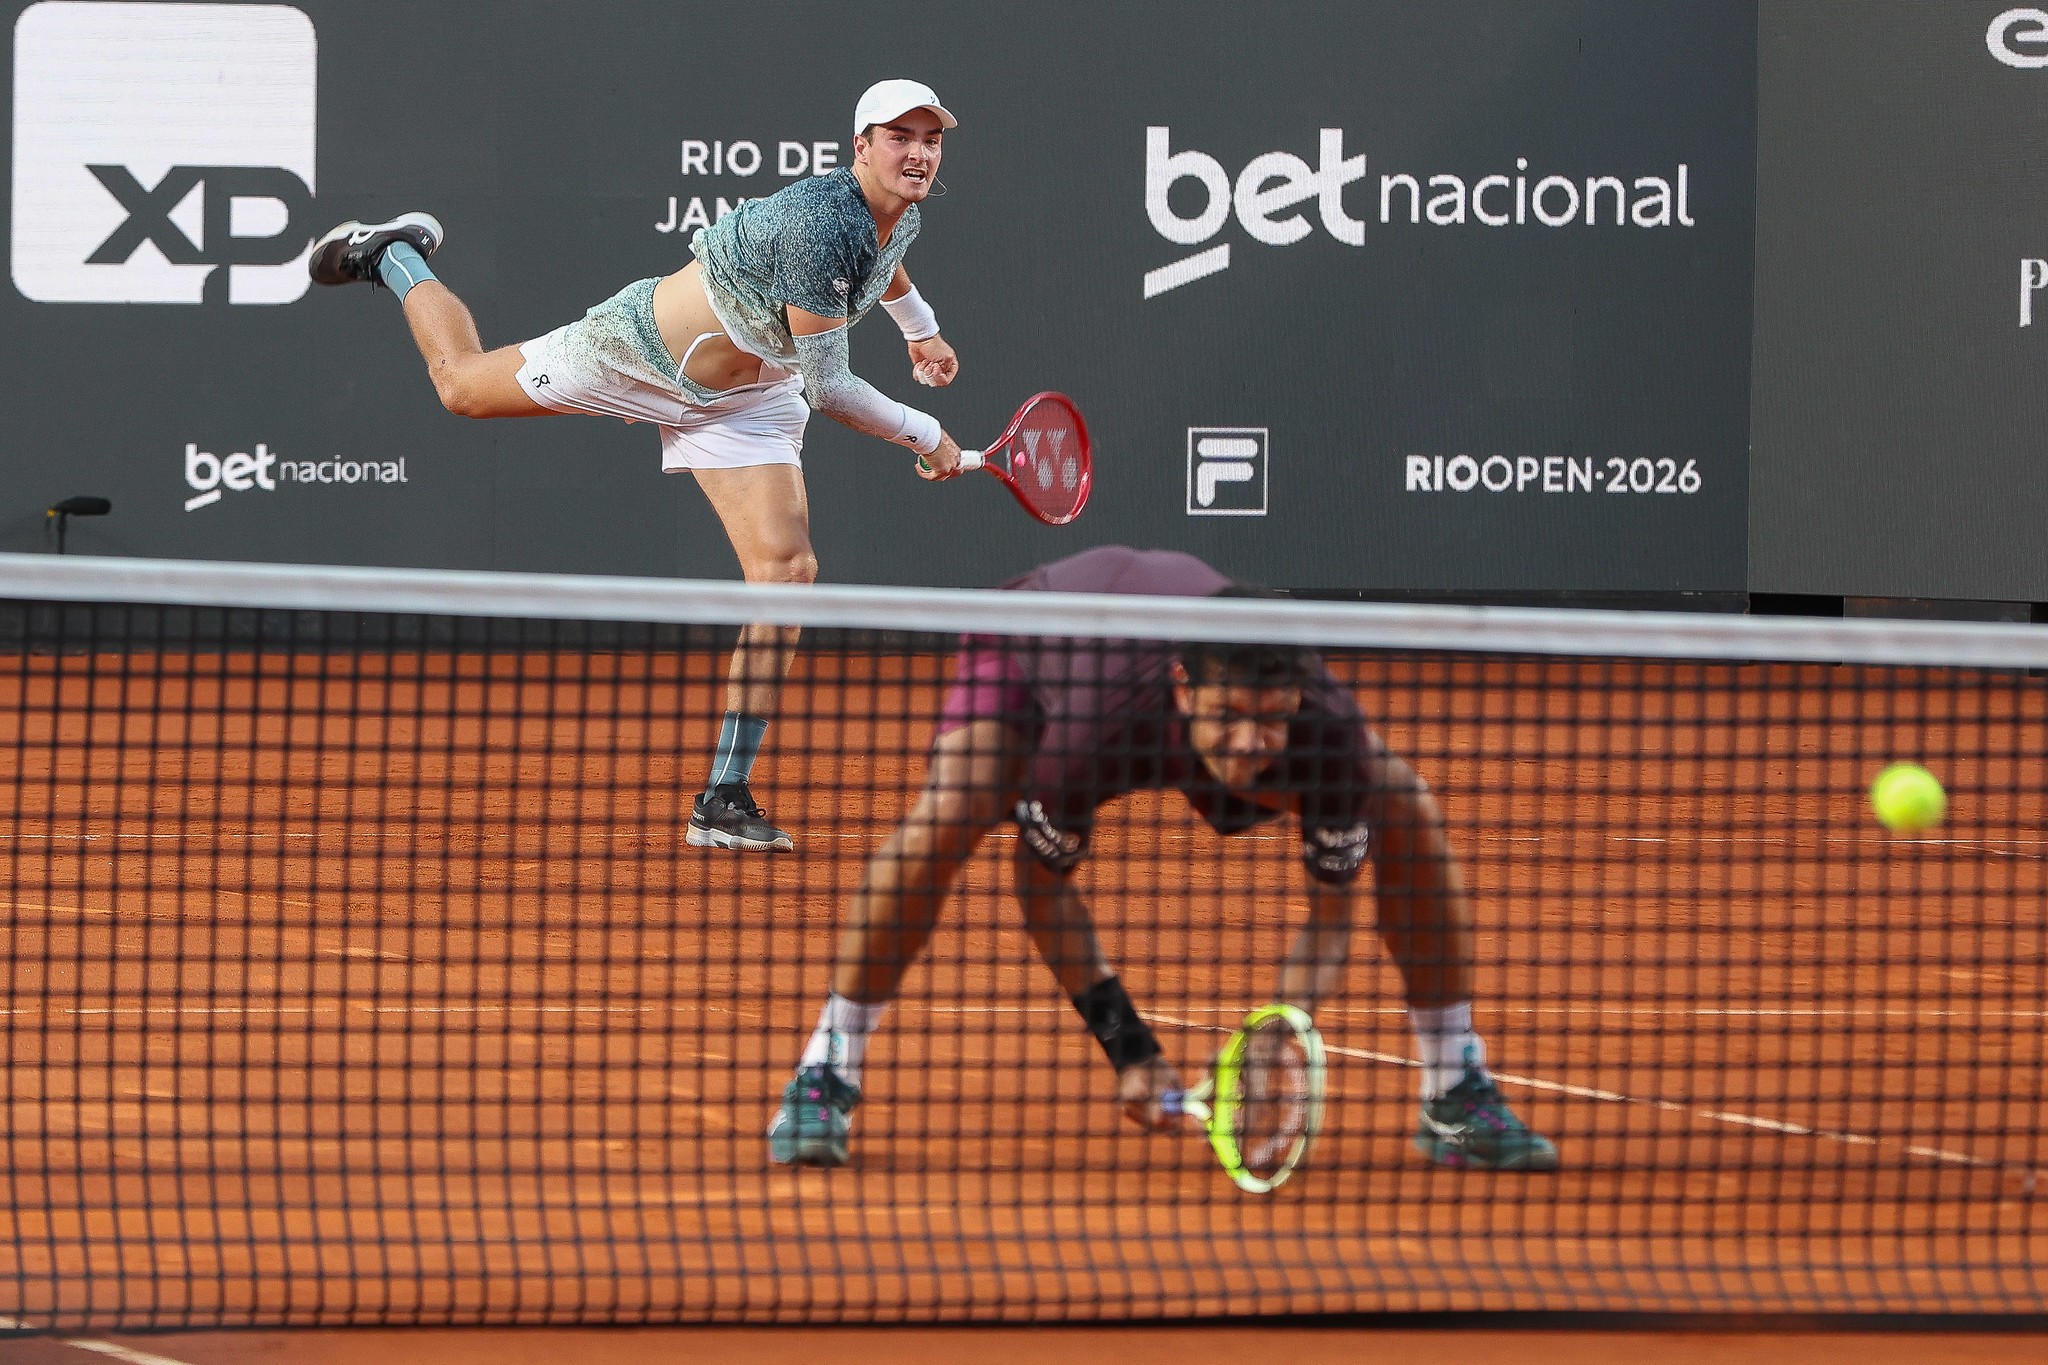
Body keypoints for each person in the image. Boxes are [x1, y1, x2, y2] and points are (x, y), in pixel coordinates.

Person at [307, 79, 970, 854]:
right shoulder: (822, 223)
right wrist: (927, 434)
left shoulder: (897, 214)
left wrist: (922, 331)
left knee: (787, 571)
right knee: (460, 385)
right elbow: (831, 389)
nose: (918, 153)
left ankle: (723, 796)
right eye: (901, 137)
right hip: (637, 354)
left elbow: (885, 263)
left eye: (931, 140)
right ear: (861, 146)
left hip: (747, 400)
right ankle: (394, 255)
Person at [767, 544, 1559, 1172]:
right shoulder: (1096, 730)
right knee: (953, 809)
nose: (1251, 741)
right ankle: (828, 1065)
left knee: (1405, 800)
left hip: (1139, 669)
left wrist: (1273, 1040)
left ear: (1297, 699)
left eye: (1271, 718)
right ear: (1185, 689)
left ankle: (1453, 1083)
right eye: (1230, 716)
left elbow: (1331, 915)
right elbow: (1040, 889)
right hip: (1036, 640)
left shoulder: (1328, 734)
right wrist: (1131, 1048)